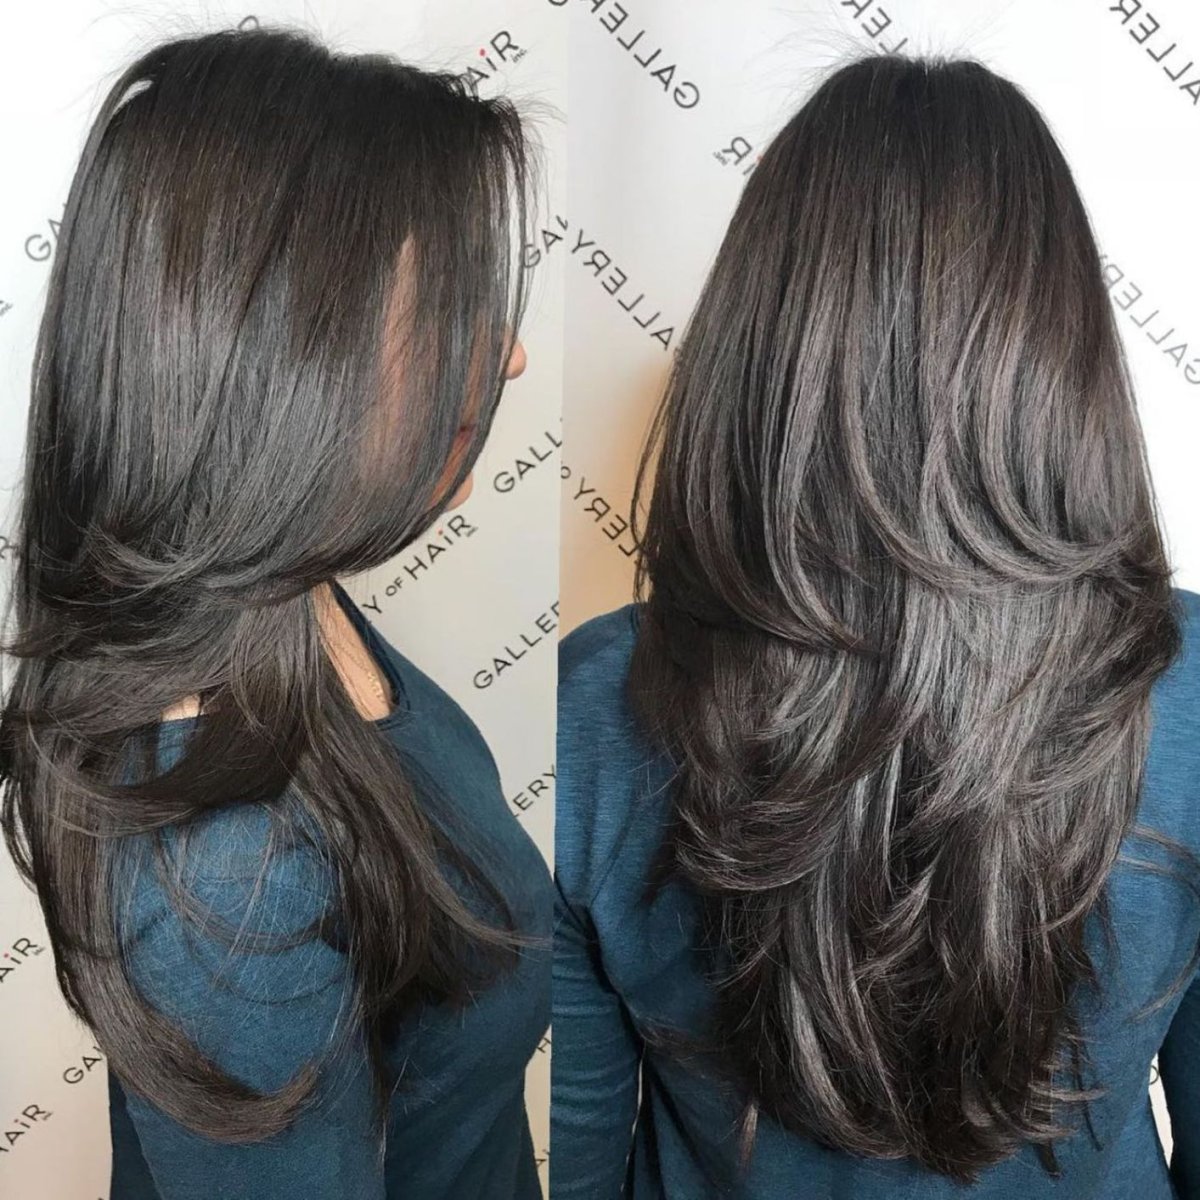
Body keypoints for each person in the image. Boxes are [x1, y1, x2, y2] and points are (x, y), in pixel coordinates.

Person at [551, 52, 1200, 1199]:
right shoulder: (1186, 688)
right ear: (1061, 351)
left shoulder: (593, 701)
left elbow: (583, 1144)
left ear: (758, 338)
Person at [0, 24, 551, 1200]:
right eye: (447, 306)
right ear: (279, 349)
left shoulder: (289, 605)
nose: (505, 358)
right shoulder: (228, 870)